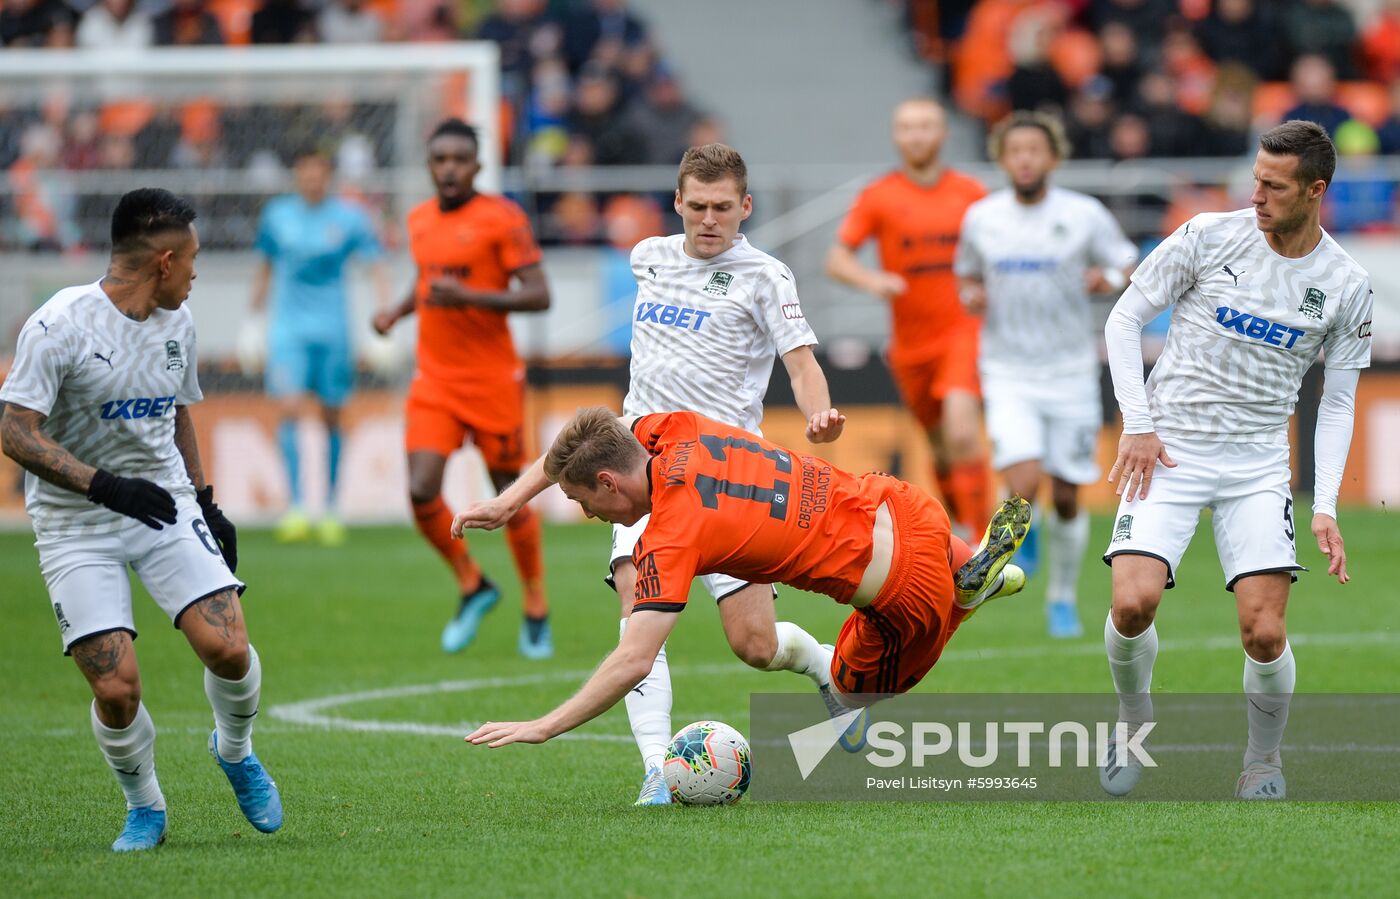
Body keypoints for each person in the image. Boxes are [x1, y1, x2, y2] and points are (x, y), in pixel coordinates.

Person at [452, 408, 1030, 750]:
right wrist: (510, 502)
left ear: (608, 482)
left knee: (851, 690)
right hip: (906, 506)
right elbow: (596, 433)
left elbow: (633, 660)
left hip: (905, 592)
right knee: (875, 518)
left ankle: (960, 596)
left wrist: (544, 725)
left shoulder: (669, 538)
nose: (589, 514)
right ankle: (966, 568)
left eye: (581, 501)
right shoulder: (676, 428)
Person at [0, 188, 281, 851]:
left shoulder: (176, 321)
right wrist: (102, 485)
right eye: (193, 259)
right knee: (117, 686)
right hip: (76, 519)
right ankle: (145, 805)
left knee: (228, 646)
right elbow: (14, 432)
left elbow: (177, 410)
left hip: (161, 503)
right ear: (163, 258)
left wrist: (205, 500)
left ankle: (235, 750)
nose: (195, 272)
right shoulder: (58, 326)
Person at [1099, 121, 1372, 800]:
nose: (1256, 195)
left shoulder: (1345, 283)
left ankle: (1262, 760)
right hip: (1168, 449)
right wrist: (1137, 422)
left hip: (1255, 464)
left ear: (1315, 190)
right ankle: (1133, 721)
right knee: (1131, 605)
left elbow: (1336, 402)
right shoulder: (1207, 235)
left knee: (1264, 630)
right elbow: (1123, 319)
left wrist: (1328, 503)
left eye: (1273, 186)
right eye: (1255, 179)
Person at [587, 142, 848, 805]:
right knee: (637, 606)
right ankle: (654, 768)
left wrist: (820, 415)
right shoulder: (647, 257)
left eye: (722, 208)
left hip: (729, 479)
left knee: (755, 644)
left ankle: (826, 666)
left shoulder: (766, 275)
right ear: (677, 202)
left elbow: (802, 364)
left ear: (745, 207)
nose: (708, 219)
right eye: (697, 206)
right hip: (642, 469)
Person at [373, 118, 552, 659]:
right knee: (421, 488)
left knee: (510, 495)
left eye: (459, 159)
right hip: (435, 379)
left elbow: (540, 295)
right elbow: (428, 281)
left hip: (494, 379)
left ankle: (536, 605)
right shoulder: (419, 219)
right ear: (430, 166)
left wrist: (471, 296)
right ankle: (473, 583)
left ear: (476, 166)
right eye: (439, 159)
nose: (449, 168)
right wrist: (398, 311)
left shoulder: (503, 218)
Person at [955, 111, 1138, 639]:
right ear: (1003, 159)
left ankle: (1061, 598)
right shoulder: (982, 218)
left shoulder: (1083, 215)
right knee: (1024, 481)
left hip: (1070, 371)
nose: (1026, 159)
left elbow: (1129, 264)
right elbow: (965, 274)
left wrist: (1104, 276)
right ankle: (1023, 534)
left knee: (1065, 495)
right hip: (1008, 368)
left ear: (1052, 157)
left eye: (1035, 150)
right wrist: (970, 293)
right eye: (1016, 151)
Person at [826, 97, 992, 542]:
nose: (917, 135)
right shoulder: (880, 196)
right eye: (908, 127)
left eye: (926, 126)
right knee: (939, 446)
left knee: (961, 432)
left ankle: (982, 539)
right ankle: (962, 527)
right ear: (897, 136)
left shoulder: (971, 194)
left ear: (943, 133)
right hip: (911, 344)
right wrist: (872, 280)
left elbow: (1001, 250)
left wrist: (985, 287)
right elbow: (837, 259)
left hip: (963, 331)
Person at [251, 145, 391, 545]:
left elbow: (375, 265)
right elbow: (264, 267)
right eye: (305, 172)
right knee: (289, 407)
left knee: (331, 415)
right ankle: (296, 506)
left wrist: (383, 319)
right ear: (297, 174)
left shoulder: (349, 217)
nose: (312, 179)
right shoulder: (277, 216)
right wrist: (252, 321)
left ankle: (329, 507)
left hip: (334, 328)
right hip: (289, 328)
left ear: (328, 175)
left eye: (318, 172)